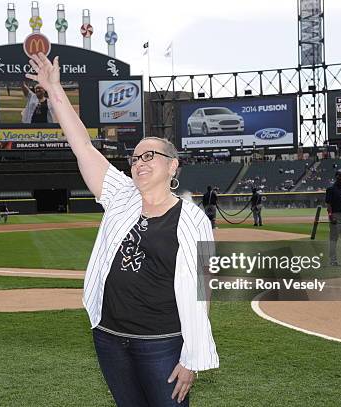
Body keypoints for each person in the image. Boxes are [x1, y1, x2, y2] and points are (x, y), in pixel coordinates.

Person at [25, 53, 219, 407]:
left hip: (161, 342)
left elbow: (201, 292)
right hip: (110, 338)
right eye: (135, 158)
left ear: (173, 166)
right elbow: (82, 144)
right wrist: (54, 89)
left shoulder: (194, 220)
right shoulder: (121, 196)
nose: (139, 162)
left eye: (150, 156)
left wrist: (193, 356)